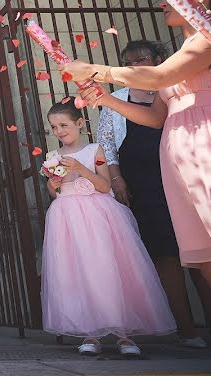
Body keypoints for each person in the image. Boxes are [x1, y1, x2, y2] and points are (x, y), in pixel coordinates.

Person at [66, 0, 211, 284]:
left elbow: (158, 76)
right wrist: (105, 99)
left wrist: (95, 70)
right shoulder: (182, 51)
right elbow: (156, 116)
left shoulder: (208, 37)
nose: (162, 0)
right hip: (178, 158)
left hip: (206, 145)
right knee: (205, 255)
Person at [96, 41, 210, 348]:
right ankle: (187, 330)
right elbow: (106, 144)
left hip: (182, 176)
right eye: (127, 62)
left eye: (140, 60)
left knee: (201, 254)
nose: (134, 66)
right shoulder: (118, 100)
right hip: (143, 186)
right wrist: (117, 178)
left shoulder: (172, 89)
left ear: (158, 61)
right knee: (165, 255)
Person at [41, 101, 175, 357]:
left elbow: (105, 186)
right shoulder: (53, 156)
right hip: (67, 218)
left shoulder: (95, 151)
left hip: (97, 216)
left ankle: (124, 335)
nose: (59, 131)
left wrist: (80, 169)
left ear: (80, 123)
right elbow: (54, 192)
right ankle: (90, 332)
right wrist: (54, 180)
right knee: (79, 272)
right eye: (54, 127)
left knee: (107, 270)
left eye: (64, 125)